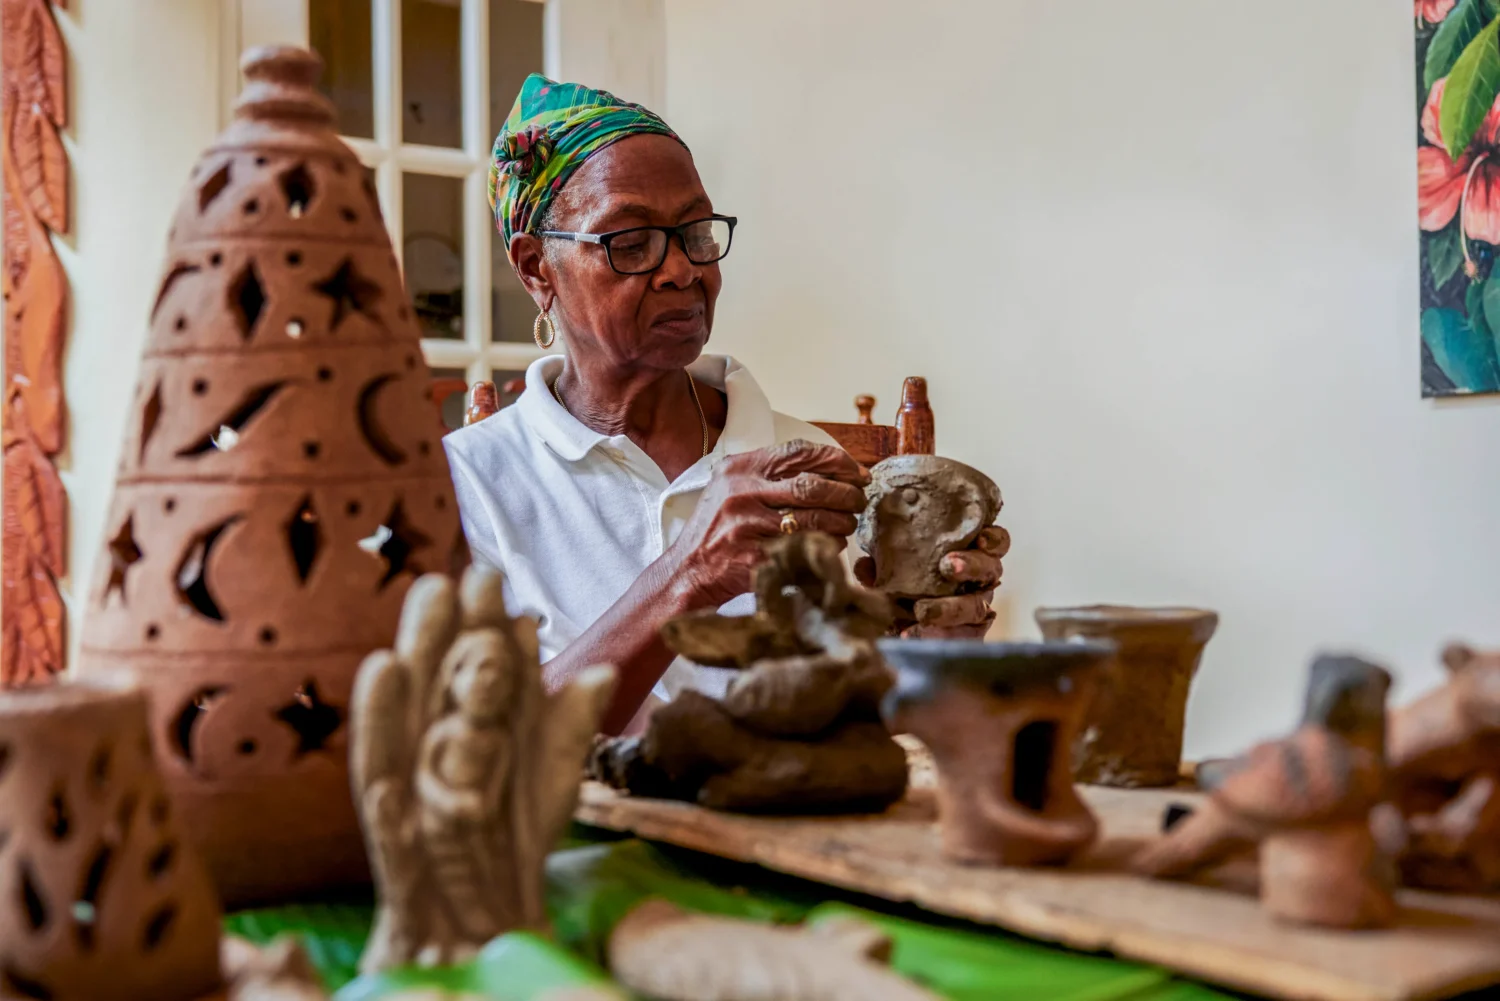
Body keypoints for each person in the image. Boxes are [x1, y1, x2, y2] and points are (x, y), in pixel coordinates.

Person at [443, 75, 1003, 734]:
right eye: (631, 241)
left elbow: (883, 726)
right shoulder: (469, 483)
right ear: (537, 267)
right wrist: (689, 573)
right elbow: (484, 753)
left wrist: (936, 640)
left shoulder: (807, 472)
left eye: (696, 232)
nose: (683, 269)